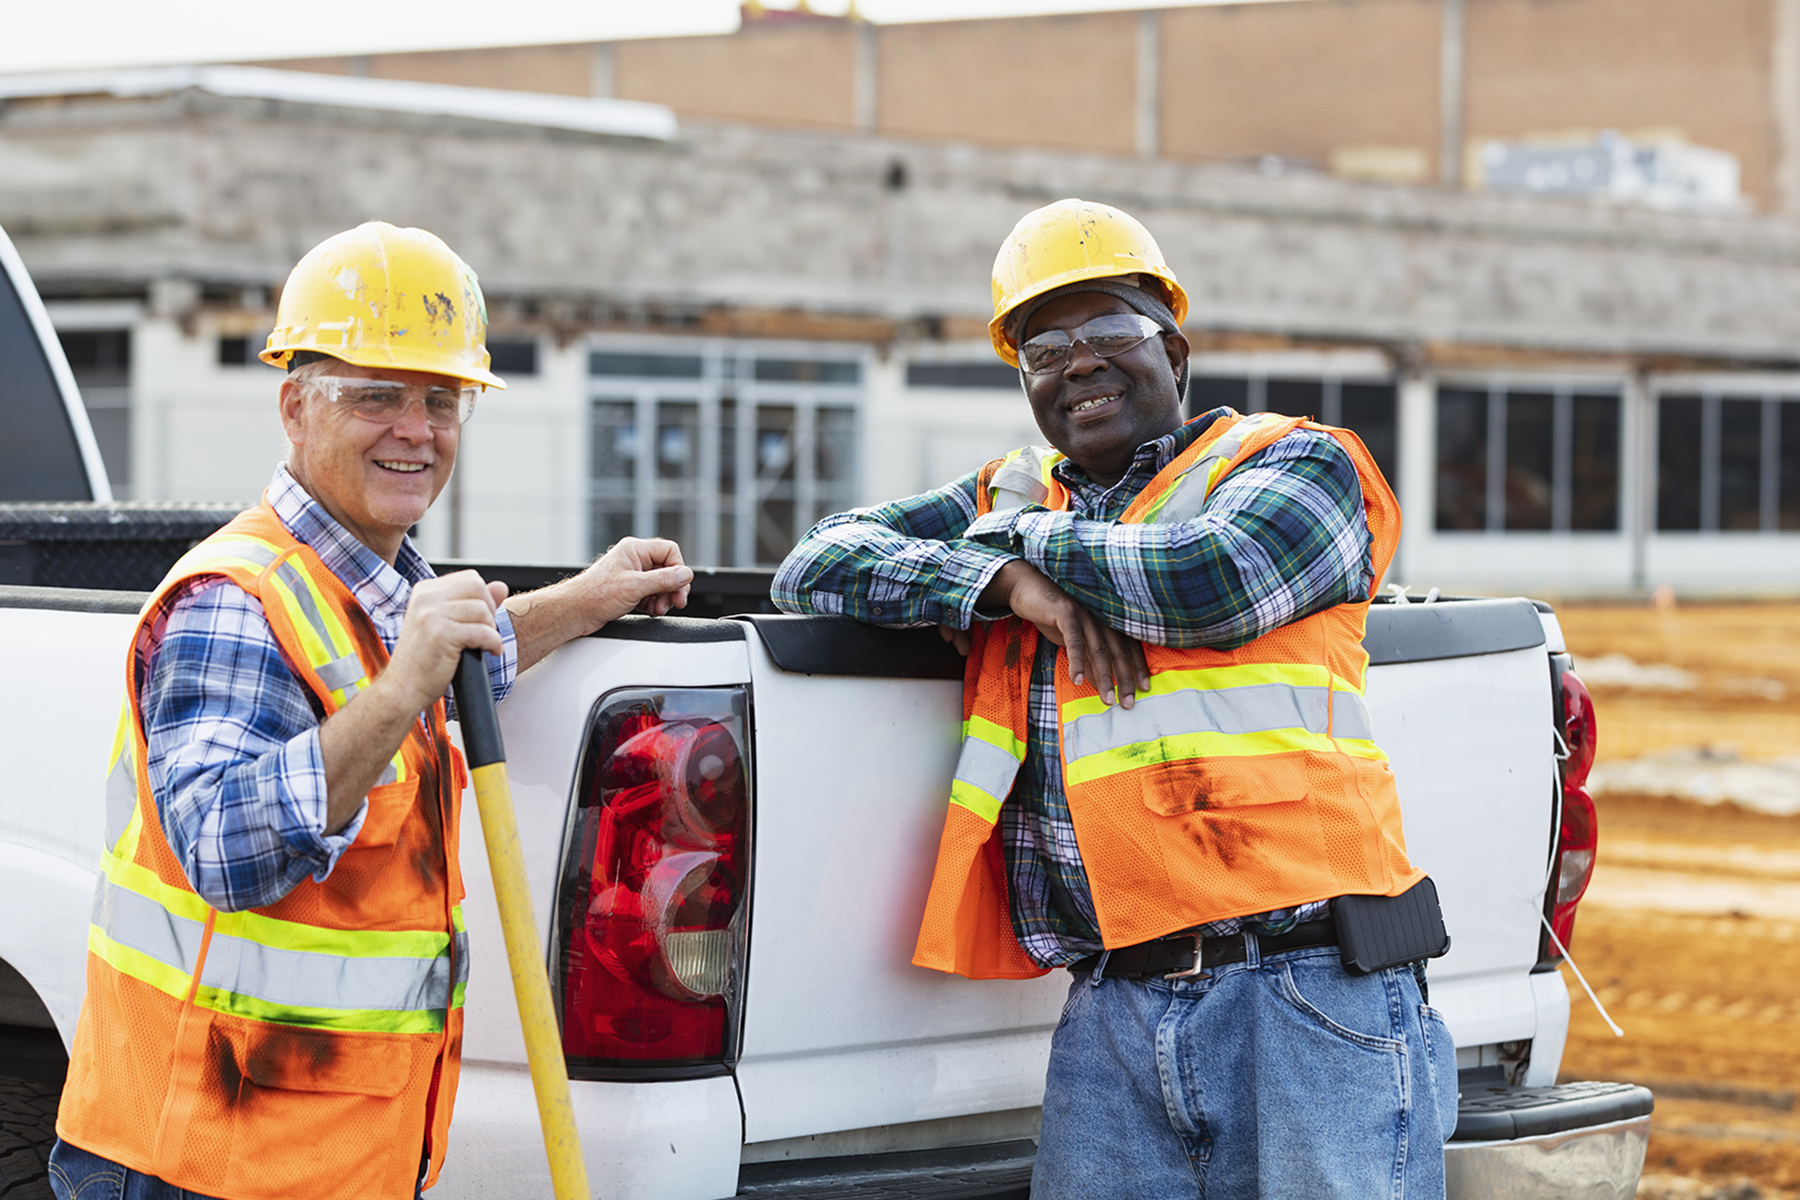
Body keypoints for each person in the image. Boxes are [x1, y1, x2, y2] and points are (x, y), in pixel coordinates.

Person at [773, 198, 1459, 1198]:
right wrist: (1000, 588)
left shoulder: (1297, 463)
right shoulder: (1014, 491)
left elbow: (1208, 583)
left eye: (1110, 333)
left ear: (1173, 353)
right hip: (1114, 1002)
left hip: (1307, 989)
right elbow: (815, 562)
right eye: (1046, 349)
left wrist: (1018, 548)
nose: (1079, 364)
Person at [48, 222, 693, 1200]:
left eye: (441, 400)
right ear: (295, 407)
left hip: (329, 1163)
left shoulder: (373, 590)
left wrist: (592, 596)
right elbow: (222, 846)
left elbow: (461, 661)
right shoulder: (237, 599)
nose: (416, 429)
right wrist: (404, 685)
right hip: (199, 1164)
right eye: (375, 396)